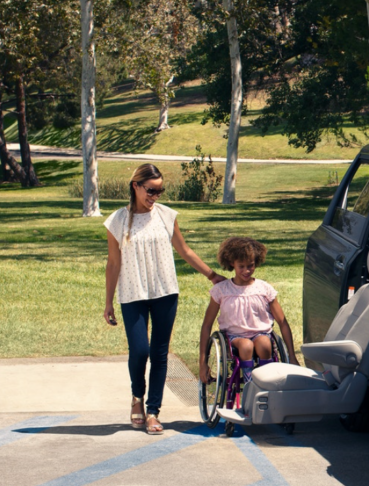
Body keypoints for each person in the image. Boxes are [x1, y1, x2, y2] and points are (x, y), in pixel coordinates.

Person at [104, 163, 224, 435]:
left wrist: (212, 275)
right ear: (136, 186)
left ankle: (153, 411)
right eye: (151, 190)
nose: (155, 196)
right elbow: (113, 263)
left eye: (160, 191)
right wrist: (109, 301)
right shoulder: (117, 221)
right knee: (140, 350)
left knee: (159, 353)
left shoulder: (166, 216)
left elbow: (184, 250)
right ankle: (137, 397)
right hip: (131, 295)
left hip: (165, 293)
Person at [198, 237, 300, 390]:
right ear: (232, 263)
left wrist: (292, 356)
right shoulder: (222, 290)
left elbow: (282, 323)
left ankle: (266, 383)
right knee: (246, 346)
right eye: (241, 266)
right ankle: (250, 386)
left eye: (250, 266)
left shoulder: (264, 289)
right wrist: (202, 362)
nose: (246, 270)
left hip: (261, 334)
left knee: (265, 343)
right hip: (234, 337)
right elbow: (206, 325)